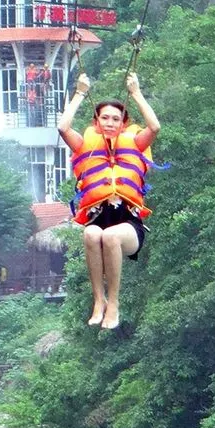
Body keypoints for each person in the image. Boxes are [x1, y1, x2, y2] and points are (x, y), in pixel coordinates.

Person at [57, 71, 161, 329]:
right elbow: (63, 127)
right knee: (91, 234)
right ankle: (98, 301)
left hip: (129, 226)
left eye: (116, 119)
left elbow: (155, 127)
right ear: (97, 120)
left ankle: (113, 303)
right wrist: (80, 93)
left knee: (110, 236)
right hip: (99, 217)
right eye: (105, 118)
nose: (110, 123)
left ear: (123, 124)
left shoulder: (134, 142)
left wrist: (136, 92)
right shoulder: (86, 145)